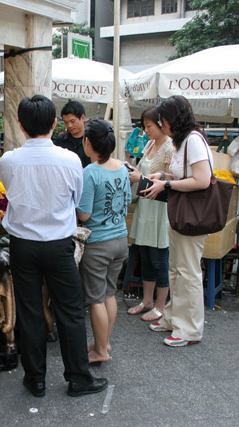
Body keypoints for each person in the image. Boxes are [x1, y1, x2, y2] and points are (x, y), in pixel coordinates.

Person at [0, 95, 108, 398]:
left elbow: (10, 192)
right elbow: (75, 200)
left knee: (30, 311)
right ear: (54, 124)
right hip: (59, 244)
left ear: (21, 126)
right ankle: (78, 378)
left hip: (22, 244)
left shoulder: (9, 159)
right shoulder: (70, 159)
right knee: (71, 312)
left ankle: (35, 379)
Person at [142, 95, 212, 347]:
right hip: (180, 212)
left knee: (188, 272)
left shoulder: (193, 140)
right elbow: (188, 175)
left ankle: (189, 330)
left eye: (162, 120)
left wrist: (167, 183)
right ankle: (173, 318)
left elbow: (202, 180)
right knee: (176, 269)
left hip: (190, 216)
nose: (161, 124)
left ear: (174, 118)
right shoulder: (183, 141)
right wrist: (165, 175)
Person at [77, 119, 131, 364]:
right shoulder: (121, 167)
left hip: (98, 245)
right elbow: (127, 201)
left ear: (88, 143)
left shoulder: (91, 172)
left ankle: (100, 351)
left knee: (96, 299)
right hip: (120, 240)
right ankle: (104, 342)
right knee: (110, 294)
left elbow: (84, 214)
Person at [124, 107, 174, 322]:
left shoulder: (170, 147)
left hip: (160, 209)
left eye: (149, 126)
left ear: (161, 124)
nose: (146, 131)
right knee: (144, 255)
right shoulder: (151, 143)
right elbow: (145, 173)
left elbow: (170, 181)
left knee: (159, 258)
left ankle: (161, 305)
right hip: (146, 205)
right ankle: (147, 300)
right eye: (144, 126)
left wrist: (140, 179)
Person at [54, 100, 91, 167]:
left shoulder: (92, 140)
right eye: (66, 122)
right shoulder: (59, 142)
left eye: (72, 121)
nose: (69, 125)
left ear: (82, 118)